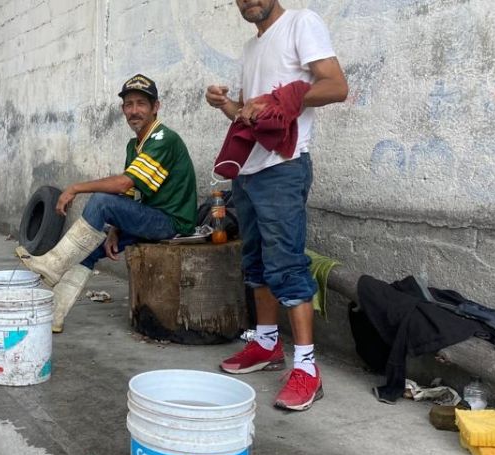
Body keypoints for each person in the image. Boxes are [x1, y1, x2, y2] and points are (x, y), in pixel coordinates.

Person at [205, 0, 348, 412]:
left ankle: (307, 368)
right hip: (249, 170)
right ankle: (266, 344)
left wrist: (280, 99)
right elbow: (254, 119)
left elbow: (336, 86)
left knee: (286, 264)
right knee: (256, 264)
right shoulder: (251, 50)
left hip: (284, 168)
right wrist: (228, 106)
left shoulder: (302, 23)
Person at [17, 74, 197, 334]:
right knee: (89, 248)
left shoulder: (163, 139)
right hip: (150, 216)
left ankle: (53, 264)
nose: (134, 111)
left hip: (172, 222)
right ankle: (55, 314)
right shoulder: (134, 145)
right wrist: (114, 230)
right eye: (129, 104)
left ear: (155, 107)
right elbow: (131, 193)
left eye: (141, 104)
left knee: (100, 200)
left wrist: (76, 188)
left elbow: (122, 184)